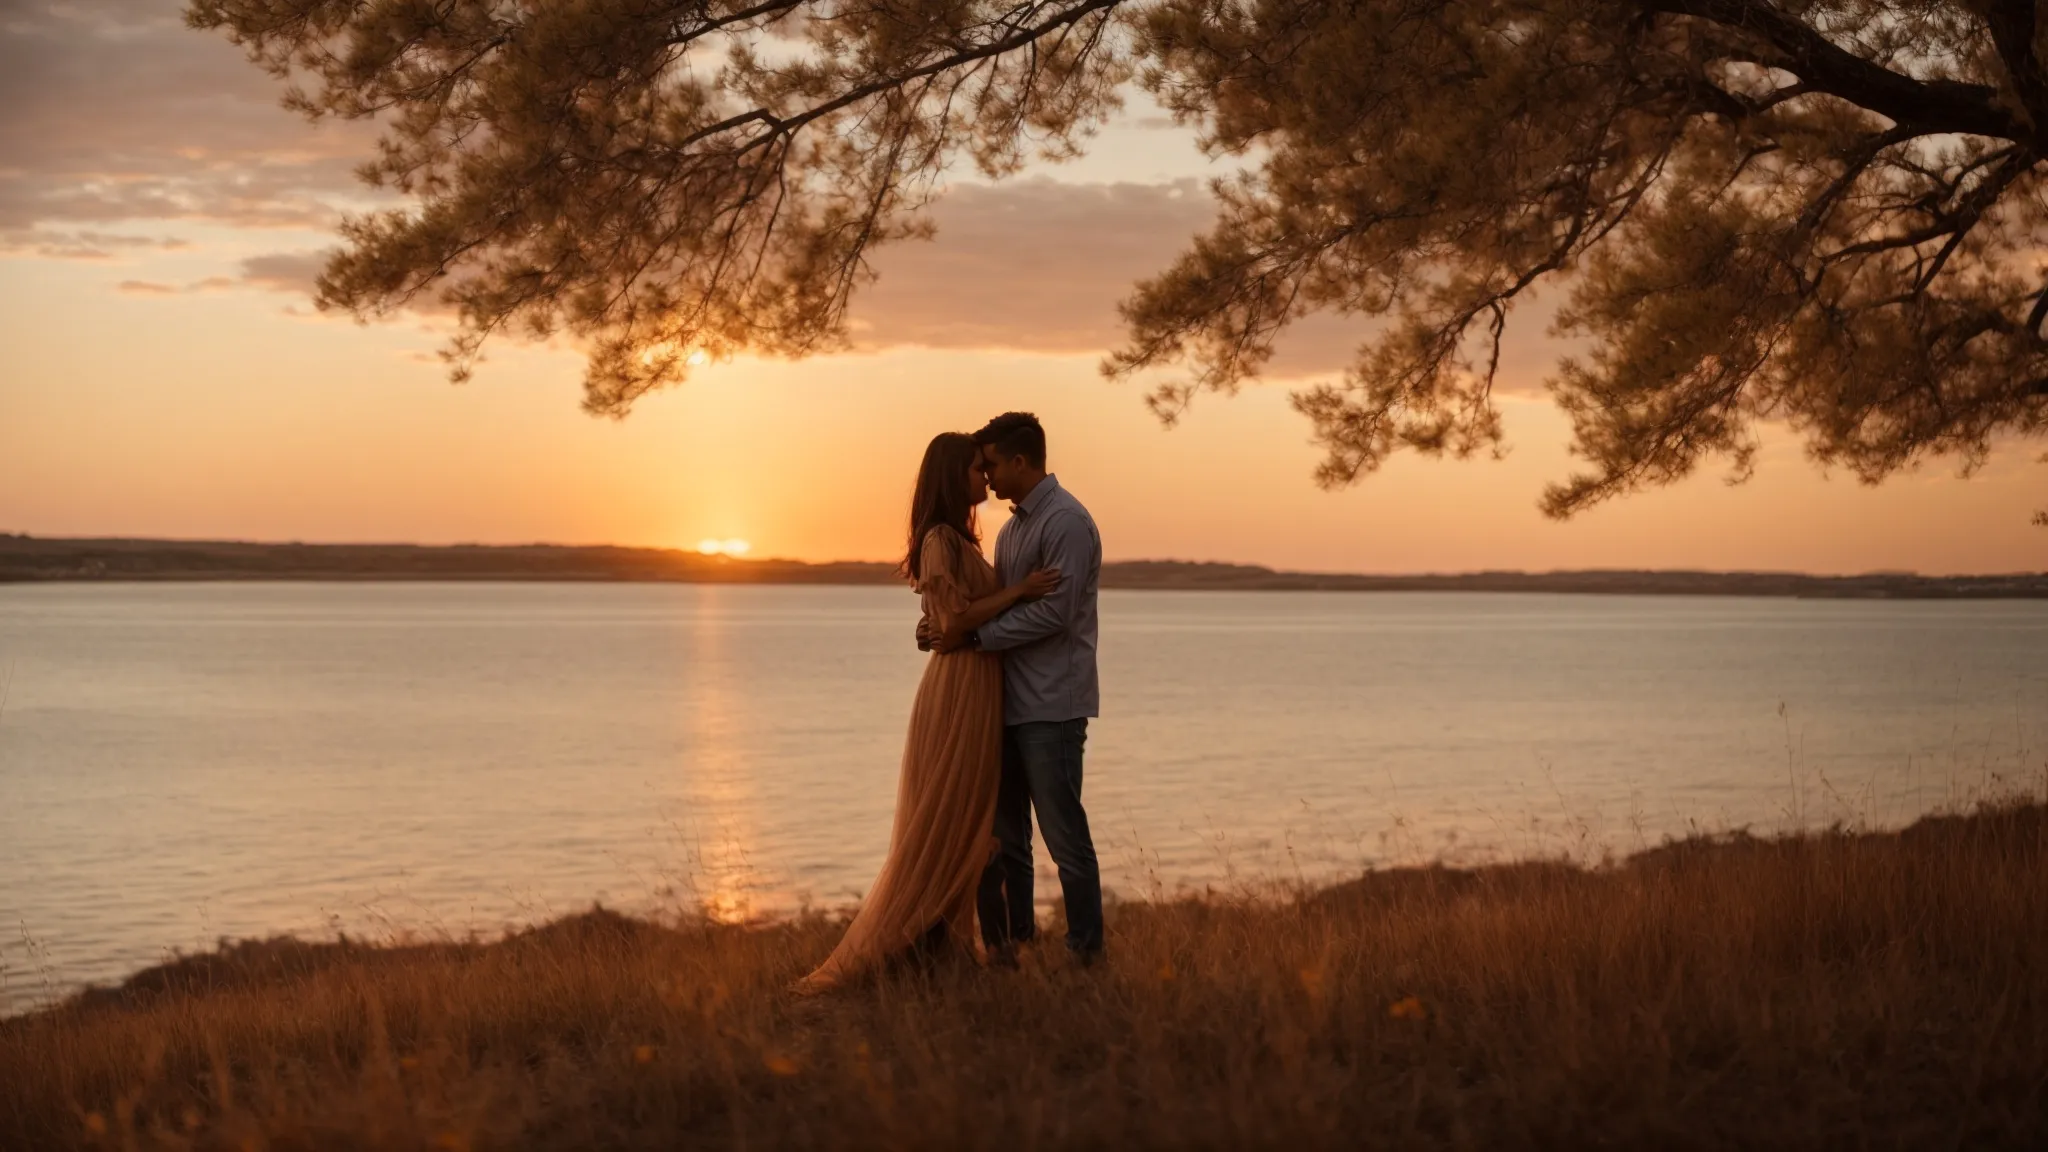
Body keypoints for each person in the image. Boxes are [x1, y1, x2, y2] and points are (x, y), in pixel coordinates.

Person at [793, 432, 1059, 994]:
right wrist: (1021, 592)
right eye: (973, 470)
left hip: (978, 687)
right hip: (959, 690)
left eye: (986, 470)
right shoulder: (940, 539)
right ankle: (909, 949)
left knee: (970, 825)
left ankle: (943, 951)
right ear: (950, 476)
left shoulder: (961, 540)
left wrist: (949, 620)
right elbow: (956, 621)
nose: (984, 479)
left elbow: (945, 619)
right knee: (949, 822)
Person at [925, 412, 1105, 965]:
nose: (988, 477)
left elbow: (1055, 613)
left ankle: (1085, 954)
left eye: (993, 465)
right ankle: (1019, 946)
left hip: (1052, 704)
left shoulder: (1067, 523)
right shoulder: (1013, 529)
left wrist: (975, 637)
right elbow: (995, 600)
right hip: (1003, 705)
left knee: (1063, 836)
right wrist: (940, 625)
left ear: (1021, 462)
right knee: (1007, 840)